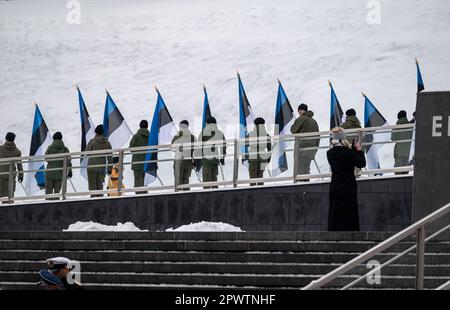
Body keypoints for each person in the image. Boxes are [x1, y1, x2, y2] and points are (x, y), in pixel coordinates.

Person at [327, 127, 366, 231]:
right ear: (344, 138)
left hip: (335, 185)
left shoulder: (329, 153)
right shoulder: (347, 152)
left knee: (335, 211)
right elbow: (361, 163)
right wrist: (358, 151)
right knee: (348, 211)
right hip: (348, 185)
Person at [290, 103, 320, 181]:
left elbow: (293, 130)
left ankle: (300, 187)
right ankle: (306, 185)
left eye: (300, 110)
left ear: (304, 110)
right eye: (299, 110)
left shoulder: (301, 118)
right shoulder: (314, 121)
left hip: (301, 148)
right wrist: (315, 148)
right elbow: (318, 136)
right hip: (311, 149)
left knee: (299, 169)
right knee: (306, 168)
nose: (299, 112)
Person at [197, 117, 226, 189]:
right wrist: (222, 157)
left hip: (206, 160)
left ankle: (207, 198)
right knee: (214, 180)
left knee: (207, 182)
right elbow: (223, 145)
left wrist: (197, 160)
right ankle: (216, 197)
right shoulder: (219, 133)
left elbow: (198, 146)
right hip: (215, 160)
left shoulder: (203, 132)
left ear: (207, 123)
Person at [86, 125, 113, 197]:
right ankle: (100, 202)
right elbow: (110, 157)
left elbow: (86, 153)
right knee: (100, 186)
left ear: (96, 132)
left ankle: (93, 202)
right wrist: (110, 168)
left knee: (93, 188)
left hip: (92, 166)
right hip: (101, 167)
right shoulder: (107, 143)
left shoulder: (92, 141)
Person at [45, 132, 72, 200]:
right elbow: (68, 161)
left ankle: (47, 207)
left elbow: (46, 158)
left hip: (50, 173)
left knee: (48, 194)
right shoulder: (65, 149)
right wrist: (70, 171)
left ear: (53, 138)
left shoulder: (50, 148)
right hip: (60, 173)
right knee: (57, 193)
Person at [246, 117, 271, 186]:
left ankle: (253, 194)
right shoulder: (266, 135)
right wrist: (268, 158)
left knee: (253, 179)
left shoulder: (251, 134)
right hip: (263, 158)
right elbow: (270, 148)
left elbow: (245, 143)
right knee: (260, 177)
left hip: (253, 157)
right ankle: (261, 193)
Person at [172, 120, 196, 191]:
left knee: (178, 182)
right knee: (186, 181)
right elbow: (196, 149)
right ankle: (187, 198)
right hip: (188, 162)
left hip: (179, 162)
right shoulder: (192, 137)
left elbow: (172, 147)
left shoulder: (178, 136)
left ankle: (177, 198)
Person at [0, 132, 23, 202]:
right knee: (9, 200)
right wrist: (21, 176)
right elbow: (19, 165)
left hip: (0, 176)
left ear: (6, 138)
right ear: (13, 140)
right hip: (10, 178)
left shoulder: (0, 149)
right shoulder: (17, 151)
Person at [129, 120, 149, 194]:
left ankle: (138, 196)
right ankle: (145, 194)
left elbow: (131, 148)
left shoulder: (136, 136)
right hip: (147, 162)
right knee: (145, 181)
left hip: (137, 163)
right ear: (147, 126)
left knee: (138, 182)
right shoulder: (150, 136)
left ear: (140, 126)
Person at [391, 110, 412, 175]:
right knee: (406, 172)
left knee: (398, 172)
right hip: (408, 152)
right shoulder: (411, 126)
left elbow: (393, 139)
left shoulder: (396, 127)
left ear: (398, 117)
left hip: (399, 152)